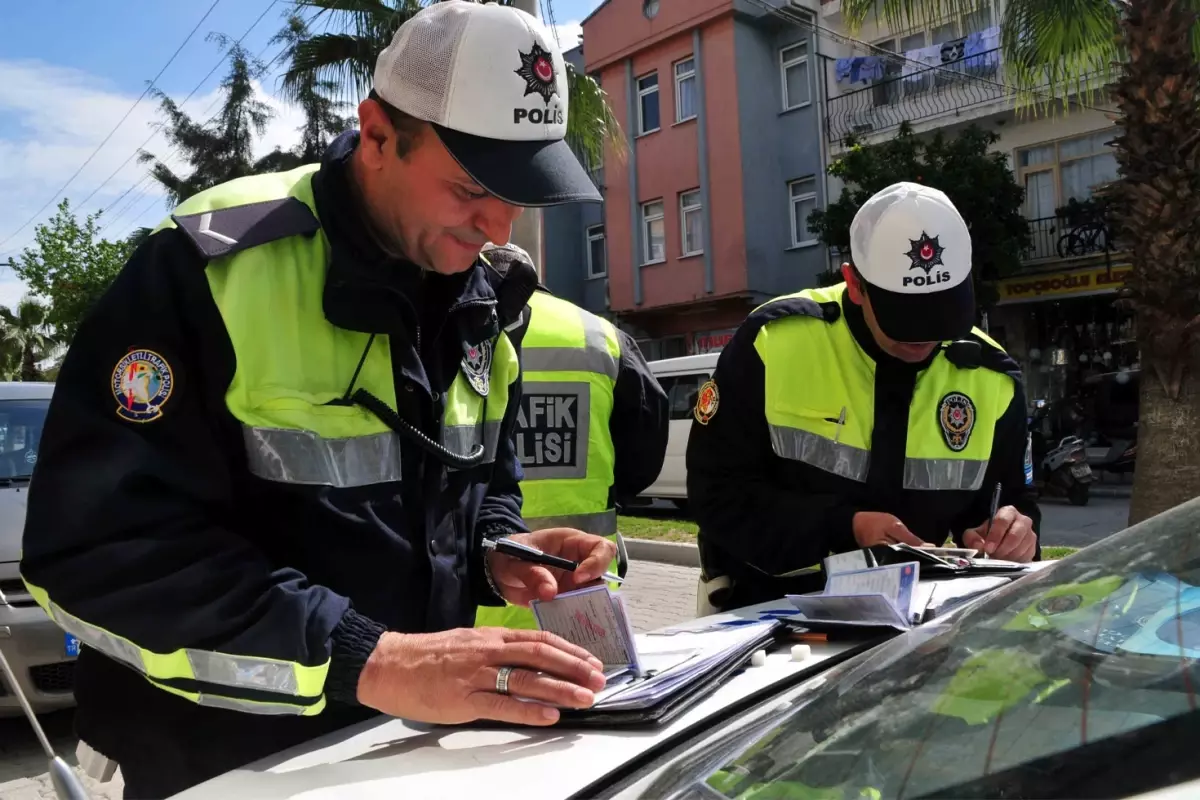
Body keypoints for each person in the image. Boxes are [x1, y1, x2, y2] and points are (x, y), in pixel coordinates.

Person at [19, 3, 619, 796]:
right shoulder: (207, 270)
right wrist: (369, 657)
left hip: (404, 755)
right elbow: (97, 555)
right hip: (219, 766)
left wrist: (497, 552)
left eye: (519, 191)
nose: (497, 223)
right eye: (472, 185)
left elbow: (478, 482)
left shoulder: (479, 298)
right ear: (376, 135)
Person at [687, 182, 1042, 612]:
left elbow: (1012, 504)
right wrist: (845, 527)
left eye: (943, 312)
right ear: (855, 284)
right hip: (766, 611)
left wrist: (1012, 534)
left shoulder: (992, 376)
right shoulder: (773, 343)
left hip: (915, 622)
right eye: (906, 316)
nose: (925, 336)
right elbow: (716, 496)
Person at [474, 243, 670, 629]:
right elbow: (644, 457)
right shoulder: (601, 336)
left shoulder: (451, 329)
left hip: (474, 607)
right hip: (579, 599)